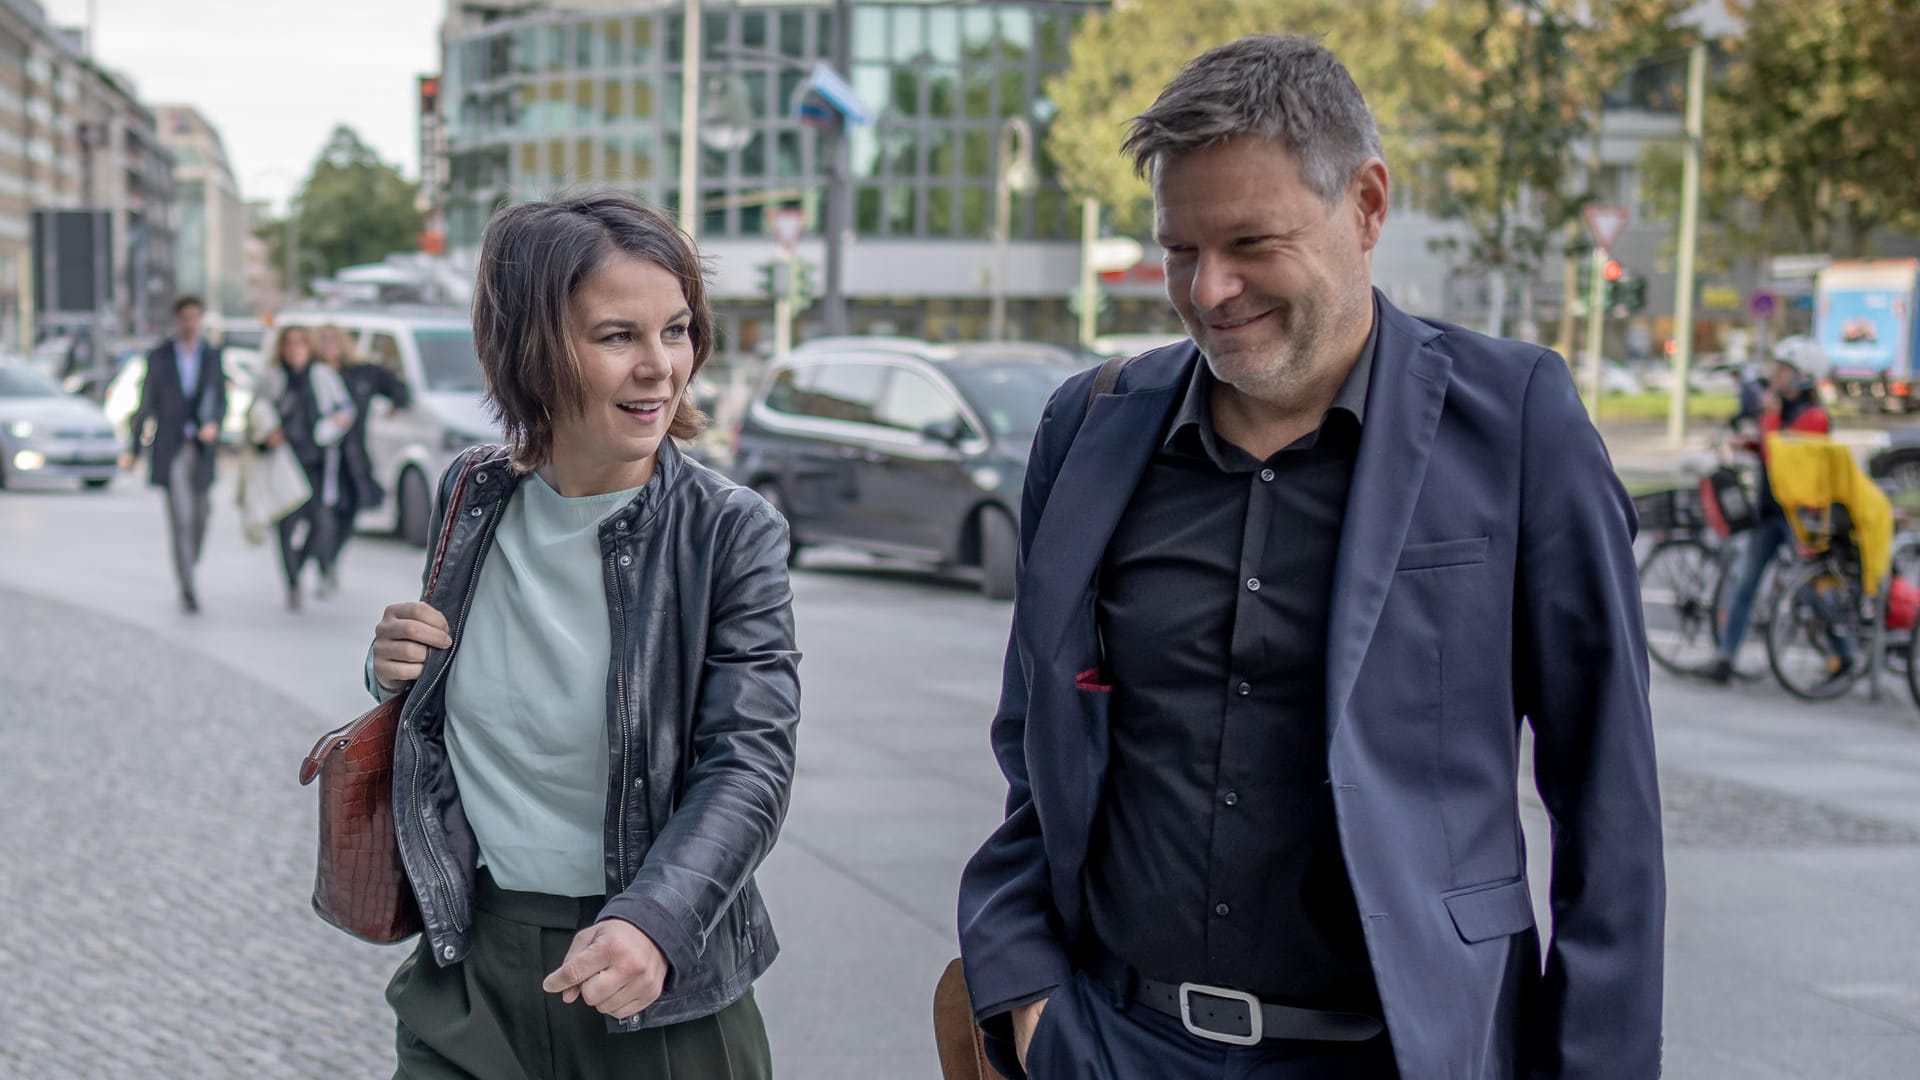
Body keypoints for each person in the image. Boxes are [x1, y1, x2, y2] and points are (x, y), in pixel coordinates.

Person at [956, 35, 1663, 1080]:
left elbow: (1609, 801)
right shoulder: (1090, 426)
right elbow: (1037, 753)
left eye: (1250, 241)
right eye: (1179, 249)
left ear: (1368, 205)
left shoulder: (1516, 425)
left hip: (1405, 1054)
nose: (1209, 289)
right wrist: (1026, 999)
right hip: (1116, 1046)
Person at [364, 191, 798, 1079]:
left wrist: (656, 924)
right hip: (471, 967)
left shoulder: (728, 531)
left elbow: (749, 761)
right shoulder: (473, 495)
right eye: (616, 337)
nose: (660, 368)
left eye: (675, 331)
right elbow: (444, 707)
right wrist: (390, 668)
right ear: (532, 351)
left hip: (652, 980)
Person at [1698, 354, 1839, 685]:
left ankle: (1842, 650)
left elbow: (1778, 454)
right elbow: (1768, 448)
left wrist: (1770, 417)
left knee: (1807, 588)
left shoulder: (1814, 416)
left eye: (1785, 370)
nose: (1776, 376)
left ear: (1804, 376)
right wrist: (1748, 442)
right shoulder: (1787, 412)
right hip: (1768, 513)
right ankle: (1725, 658)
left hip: (1797, 516)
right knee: (1744, 584)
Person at [119, 296, 228, 613]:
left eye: (195, 317)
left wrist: (214, 423)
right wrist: (134, 449)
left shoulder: (212, 356)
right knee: (180, 518)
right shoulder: (160, 357)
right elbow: (146, 403)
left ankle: (188, 564)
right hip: (172, 448)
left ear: (201, 320)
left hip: (203, 448)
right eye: (184, 318)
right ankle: (188, 584)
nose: (190, 323)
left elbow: (221, 399)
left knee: (202, 515)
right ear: (176, 321)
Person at [257, 325, 354, 612]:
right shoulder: (273, 379)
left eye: (300, 344)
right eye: (289, 344)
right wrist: (268, 436)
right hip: (285, 465)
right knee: (285, 527)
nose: (295, 350)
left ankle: (299, 568)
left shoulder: (322, 376)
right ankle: (292, 584)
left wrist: (336, 423)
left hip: (317, 464)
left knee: (321, 525)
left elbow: (345, 409)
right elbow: (258, 416)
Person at [314, 323, 411, 594]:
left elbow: (399, 390)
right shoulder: (312, 373)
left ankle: (329, 562)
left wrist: (395, 407)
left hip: (353, 456)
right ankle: (321, 564)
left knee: (349, 512)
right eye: (322, 340)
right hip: (319, 458)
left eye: (332, 339)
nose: (328, 345)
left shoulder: (362, 372)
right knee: (322, 516)